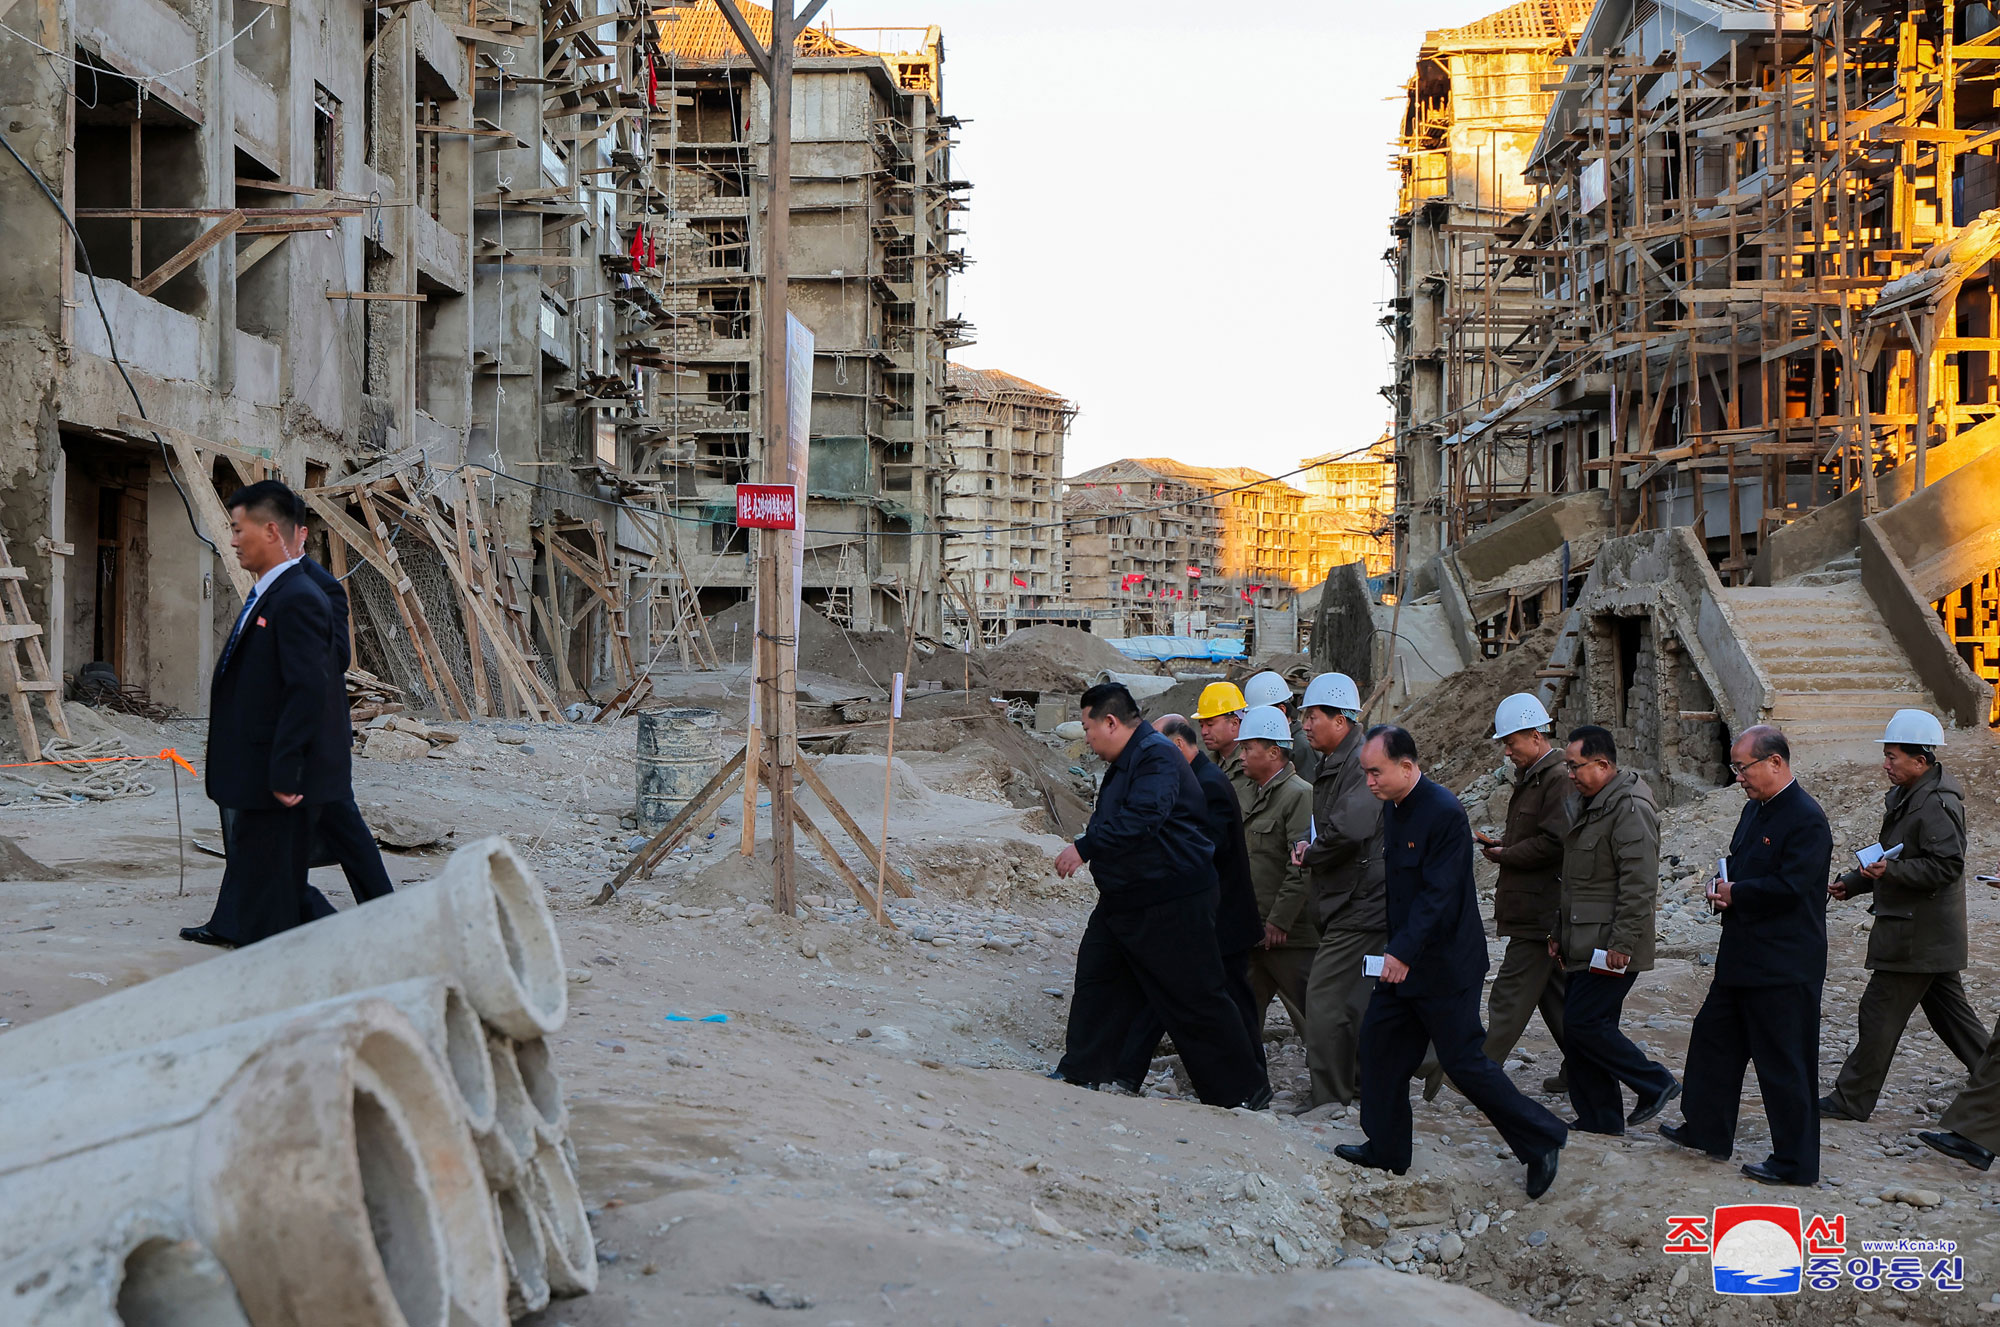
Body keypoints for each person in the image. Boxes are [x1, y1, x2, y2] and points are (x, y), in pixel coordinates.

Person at [1336, 725, 1566, 1198]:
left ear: (1406, 766)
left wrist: (1400, 951)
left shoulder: (1443, 813)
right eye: (1365, 773)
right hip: (1404, 962)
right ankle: (1387, 1148)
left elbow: (1437, 896)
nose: (1370, 782)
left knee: (1464, 1063)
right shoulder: (1394, 807)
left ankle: (1542, 1140)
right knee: (1379, 1049)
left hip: (1444, 966)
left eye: (1376, 772)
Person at [1052, 683, 1269, 1109]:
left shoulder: (1156, 756)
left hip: (1171, 900)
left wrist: (1084, 847)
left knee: (1195, 997)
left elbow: (1143, 816)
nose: (1087, 738)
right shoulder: (1127, 760)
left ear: (1111, 722)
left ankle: (1242, 1092)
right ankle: (1082, 1069)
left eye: (1088, 728)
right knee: (1097, 980)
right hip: (1125, 899)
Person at [1661, 725, 1832, 1186]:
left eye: (1743, 767)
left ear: (1774, 762)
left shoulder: (1806, 818)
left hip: (1783, 964)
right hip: (1741, 957)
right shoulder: (1754, 811)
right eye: (1735, 768)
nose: (1738, 776)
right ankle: (1706, 1131)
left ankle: (1796, 1164)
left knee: (1785, 1064)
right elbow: (1739, 869)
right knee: (1712, 1042)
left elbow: (1793, 887)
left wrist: (1738, 893)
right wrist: (1721, 889)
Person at [182, 480, 346, 948]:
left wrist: (287, 769)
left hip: (275, 777)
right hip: (253, 772)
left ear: (271, 531)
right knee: (270, 886)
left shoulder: (298, 597)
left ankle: (354, 951)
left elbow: (308, 687)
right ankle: (333, 953)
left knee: (278, 887)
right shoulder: (269, 593)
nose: (231, 540)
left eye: (238, 529)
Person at [1824, 710, 1982, 1122]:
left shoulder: (1935, 804)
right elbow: (1891, 854)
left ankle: (1850, 1099)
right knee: (1957, 1024)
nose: (1886, 763)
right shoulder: (1911, 797)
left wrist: (1889, 873)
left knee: (1878, 1012)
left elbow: (1947, 866)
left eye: (1893, 756)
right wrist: (1854, 882)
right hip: (1925, 934)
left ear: (1921, 760)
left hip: (1919, 935)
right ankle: (1994, 1086)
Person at [1110, 713, 1268, 1092]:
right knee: (1172, 995)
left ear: (1177, 747)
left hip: (1220, 920)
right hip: (1207, 917)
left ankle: (1252, 1086)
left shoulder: (1206, 784)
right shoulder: (1198, 778)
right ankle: (1128, 1073)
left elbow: (1204, 852)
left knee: (1230, 1005)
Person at [1553, 725, 1678, 1135]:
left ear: (1603, 764)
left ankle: (1654, 1082)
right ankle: (1601, 1118)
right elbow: (1576, 882)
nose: (1569, 773)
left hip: (1609, 944)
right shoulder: (1593, 803)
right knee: (1582, 1029)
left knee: (1585, 1024)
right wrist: (1559, 932)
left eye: (1575, 766)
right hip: (1583, 940)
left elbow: (1639, 883)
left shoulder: (1629, 807)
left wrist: (1622, 943)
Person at [284, 501, 395, 905]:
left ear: (301, 535)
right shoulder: (270, 585)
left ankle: (382, 908)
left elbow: (337, 659)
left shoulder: (321, 586)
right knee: (257, 831)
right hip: (284, 736)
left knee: (342, 824)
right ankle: (237, 915)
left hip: (317, 735)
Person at [1292, 671, 1385, 1114]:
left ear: (1342, 720)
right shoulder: (1336, 760)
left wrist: (1312, 853)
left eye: (1313, 716)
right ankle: (1366, 1082)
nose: (1305, 725)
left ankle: (1330, 1097)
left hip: (1360, 901)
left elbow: (1350, 828)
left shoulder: (1362, 761)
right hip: (1350, 899)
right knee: (1357, 999)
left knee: (1325, 999)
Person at [1477, 693, 1573, 1097]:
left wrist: (1506, 855)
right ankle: (1587, 1066)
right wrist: (1505, 843)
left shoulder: (1557, 778)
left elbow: (1555, 842)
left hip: (1541, 911)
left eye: (1511, 741)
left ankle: (1475, 1072)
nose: (1507, 750)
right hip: (1535, 908)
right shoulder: (1536, 775)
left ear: (1535, 736)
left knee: (1508, 996)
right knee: (1557, 1000)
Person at [1234, 706, 1318, 1042]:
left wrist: (1280, 921)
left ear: (1272, 752)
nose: (1241, 756)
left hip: (1289, 937)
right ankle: (1243, 1084)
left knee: (1318, 1010)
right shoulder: (1257, 795)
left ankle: (1362, 1080)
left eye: (1247, 748)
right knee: (1242, 1009)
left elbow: (1300, 865)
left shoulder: (1298, 795)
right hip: (1257, 930)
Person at [1193, 681, 1254, 809]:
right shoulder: (1206, 765)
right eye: (1201, 725)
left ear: (1234, 723)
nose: (1204, 732)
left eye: (1210, 724)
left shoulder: (1253, 764)